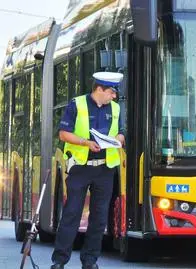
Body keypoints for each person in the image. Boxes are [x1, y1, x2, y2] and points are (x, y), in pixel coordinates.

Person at [50, 72, 126, 269]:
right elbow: (64, 133)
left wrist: (118, 139)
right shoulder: (77, 104)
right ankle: (59, 261)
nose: (114, 96)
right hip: (80, 167)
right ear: (99, 89)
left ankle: (90, 261)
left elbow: (120, 132)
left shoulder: (116, 108)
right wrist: (85, 143)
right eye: (111, 92)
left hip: (105, 169)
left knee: (99, 218)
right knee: (72, 214)